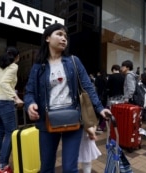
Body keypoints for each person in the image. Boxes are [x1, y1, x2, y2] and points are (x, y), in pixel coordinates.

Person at [23, 23, 111, 173]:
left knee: (70, 168)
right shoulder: (39, 66)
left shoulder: (73, 61)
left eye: (65, 36)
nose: (63, 38)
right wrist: (30, 104)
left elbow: (87, 86)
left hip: (73, 118)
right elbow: (29, 91)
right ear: (47, 38)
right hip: (47, 120)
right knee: (46, 167)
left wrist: (100, 108)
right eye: (59, 34)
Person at [0, 46, 24, 173]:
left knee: (0, 131)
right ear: (16, 56)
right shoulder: (13, 66)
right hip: (4, 102)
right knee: (10, 132)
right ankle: (3, 167)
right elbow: (4, 83)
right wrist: (16, 98)